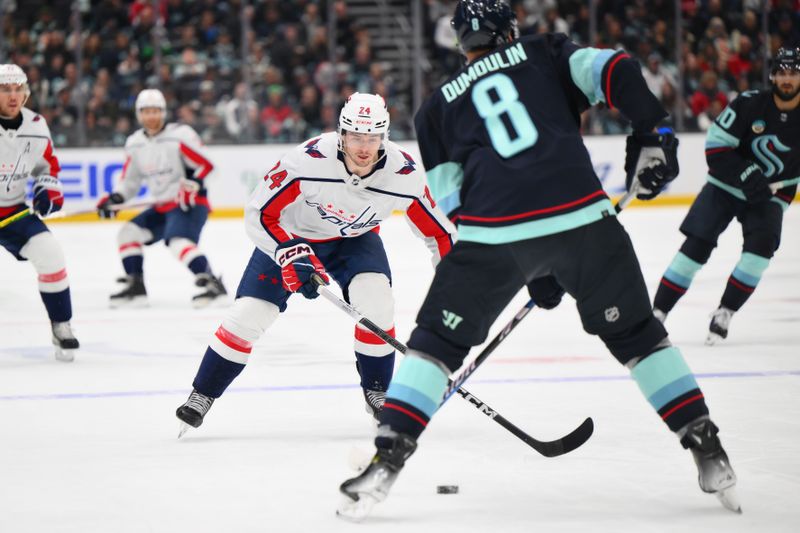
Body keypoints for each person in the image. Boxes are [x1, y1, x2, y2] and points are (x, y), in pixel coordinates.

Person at [337, 0, 740, 521]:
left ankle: (386, 459)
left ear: (460, 43)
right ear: (510, 30)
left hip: (496, 236)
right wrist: (652, 128)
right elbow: (618, 68)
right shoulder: (545, 52)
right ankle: (706, 444)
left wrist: (527, 265)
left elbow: (454, 204)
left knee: (435, 344)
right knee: (640, 337)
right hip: (585, 222)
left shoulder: (434, 108)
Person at [174, 92, 455, 435]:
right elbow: (259, 213)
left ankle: (378, 390)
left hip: (354, 243)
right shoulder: (307, 161)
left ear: (385, 137)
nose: (363, 147)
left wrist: (454, 278)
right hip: (292, 237)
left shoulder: (404, 174)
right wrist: (289, 252)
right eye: (355, 137)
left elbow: (440, 233)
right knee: (248, 317)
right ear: (341, 133)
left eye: (372, 138)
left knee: (378, 304)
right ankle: (202, 394)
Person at [653, 47, 800, 345]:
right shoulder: (750, 104)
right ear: (773, 75)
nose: (787, 79)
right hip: (725, 186)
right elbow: (716, 146)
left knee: (759, 252)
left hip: (773, 193)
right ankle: (657, 313)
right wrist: (746, 173)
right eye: (782, 72)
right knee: (696, 247)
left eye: (794, 73)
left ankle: (725, 313)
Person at [96, 88, 227, 308]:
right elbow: (130, 181)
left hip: (189, 203)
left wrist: (194, 183)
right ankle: (136, 288)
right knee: (128, 234)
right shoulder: (134, 143)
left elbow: (208, 165)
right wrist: (115, 198)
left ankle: (214, 286)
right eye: (146, 111)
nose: (151, 116)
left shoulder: (180, 135)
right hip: (162, 206)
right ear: (139, 114)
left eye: (156, 111)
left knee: (178, 242)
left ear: (163, 112)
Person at [0, 64, 79, 362]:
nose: (13, 95)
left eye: (18, 89)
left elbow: (47, 165)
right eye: (5, 89)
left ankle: (61, 324)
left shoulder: (36, 124)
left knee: (51, 254)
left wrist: (47, 189)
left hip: (15, 212)